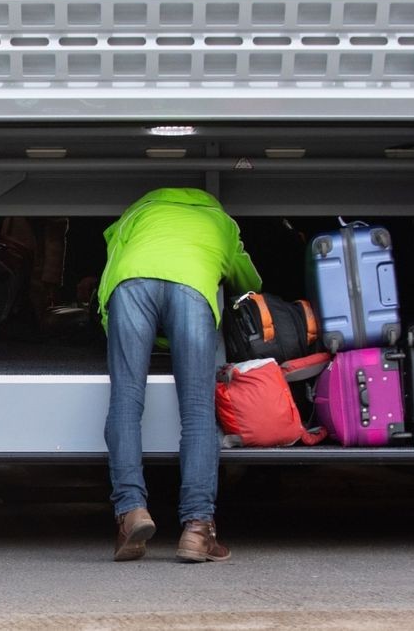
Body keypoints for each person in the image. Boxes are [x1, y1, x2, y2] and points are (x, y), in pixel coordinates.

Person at [97, 187, 262, 563]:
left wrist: (110, 323)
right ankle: (198, 529)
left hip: (132, 284)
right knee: (197, 412)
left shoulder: (137, 213)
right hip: (191, 288)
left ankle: (131, 511)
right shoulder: (221, 222)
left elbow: (112, 258)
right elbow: (249, 280)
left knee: (125, 400)